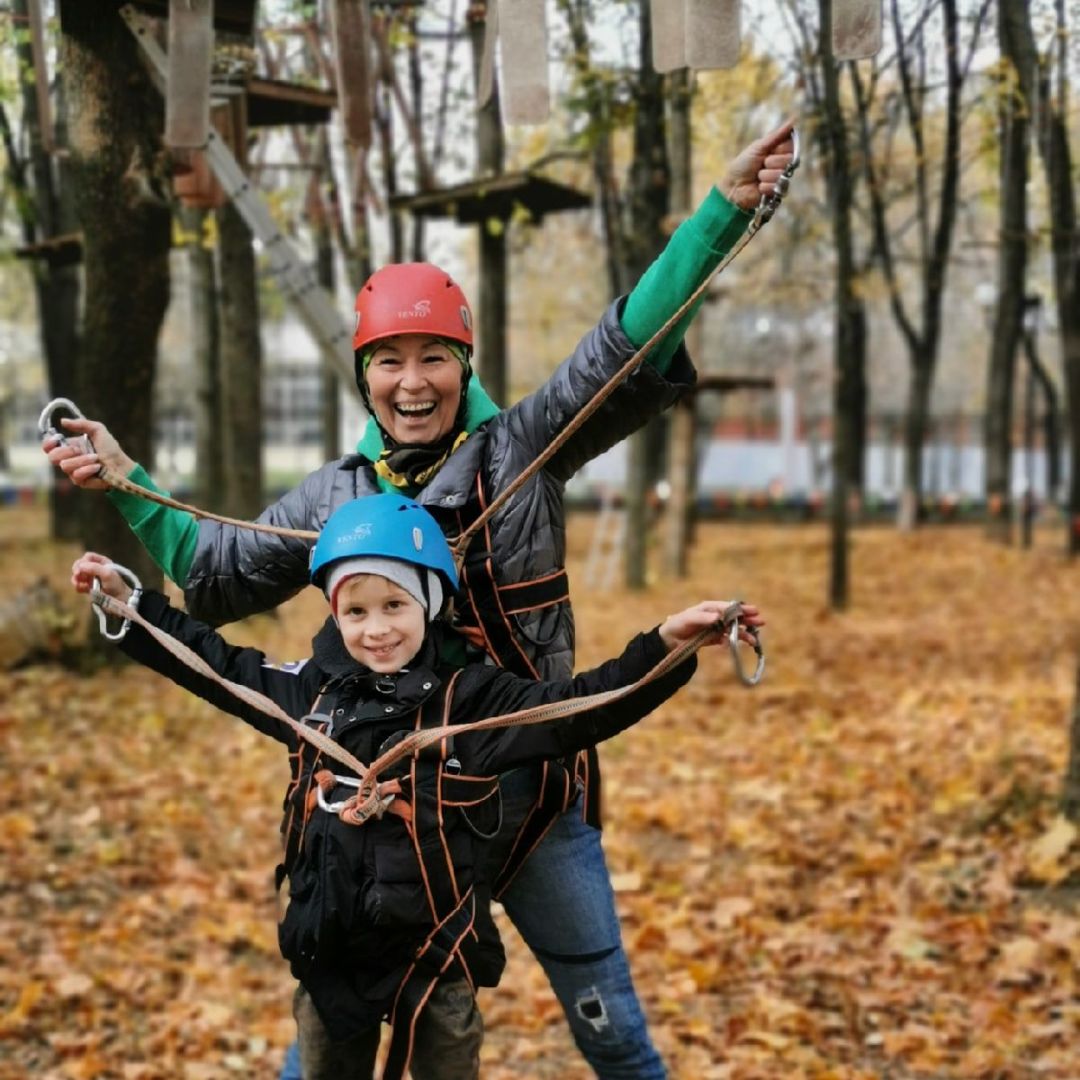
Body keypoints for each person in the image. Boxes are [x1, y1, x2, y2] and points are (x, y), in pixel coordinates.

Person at [46, 120, 793, 1078]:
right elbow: (215, 568)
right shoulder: (335, 499)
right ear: (364, 374)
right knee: (327, 1037)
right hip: (397, 820)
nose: (412, 381)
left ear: (465, 364)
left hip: (533, 794)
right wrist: (125, 482)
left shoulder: (524, 451)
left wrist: (722, 215)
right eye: (389, 360)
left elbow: (621, 348)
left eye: (434, 356)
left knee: (613, 1028)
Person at [71, 495, 763, 1080]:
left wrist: (666, 649)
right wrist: (133, 609)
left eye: (395, 605)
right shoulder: (310, 695)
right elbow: (215, 667)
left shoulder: (475, 702)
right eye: (358, 610)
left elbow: (581, 707)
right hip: (332, 954)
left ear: (429, 603)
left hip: (439, 964)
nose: (376, 630)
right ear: (336, 614)